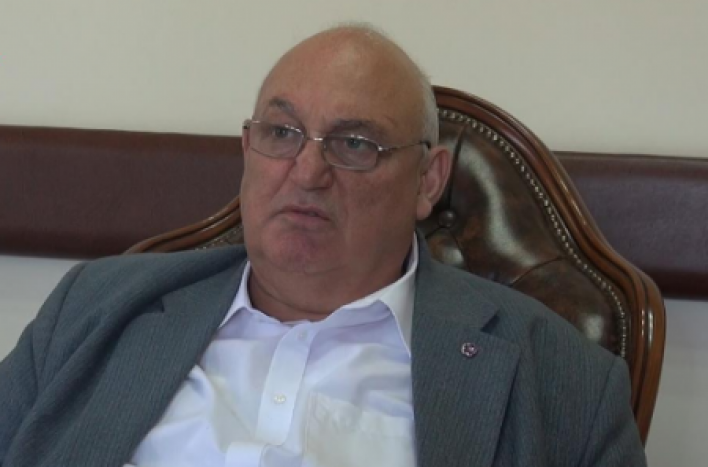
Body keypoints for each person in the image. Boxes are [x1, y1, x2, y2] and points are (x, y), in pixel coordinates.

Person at [0, 25, 646, 467]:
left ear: (427, 181)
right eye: (282, 133)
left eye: (355, 144)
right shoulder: (96, 307)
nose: (307, 172)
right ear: (248, 149)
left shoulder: (564, 382)